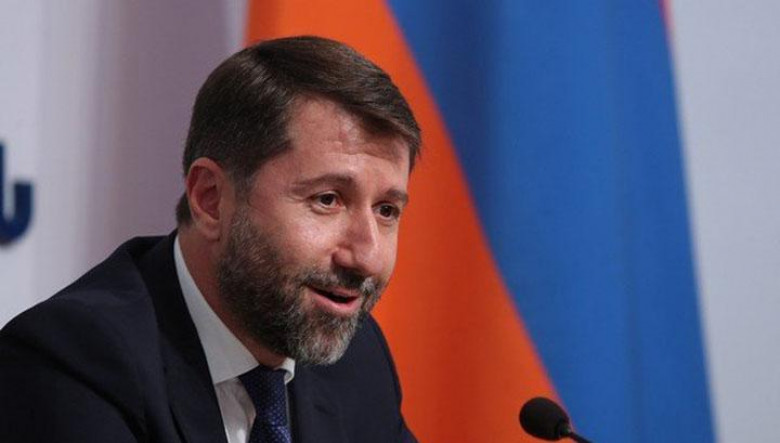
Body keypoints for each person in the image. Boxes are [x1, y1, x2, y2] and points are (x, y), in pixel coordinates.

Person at [0, 36, 420, 443]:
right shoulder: (73, 361)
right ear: (211, 199)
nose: (366, 256)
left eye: (386, 210)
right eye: (327, 200)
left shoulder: (356, 358)